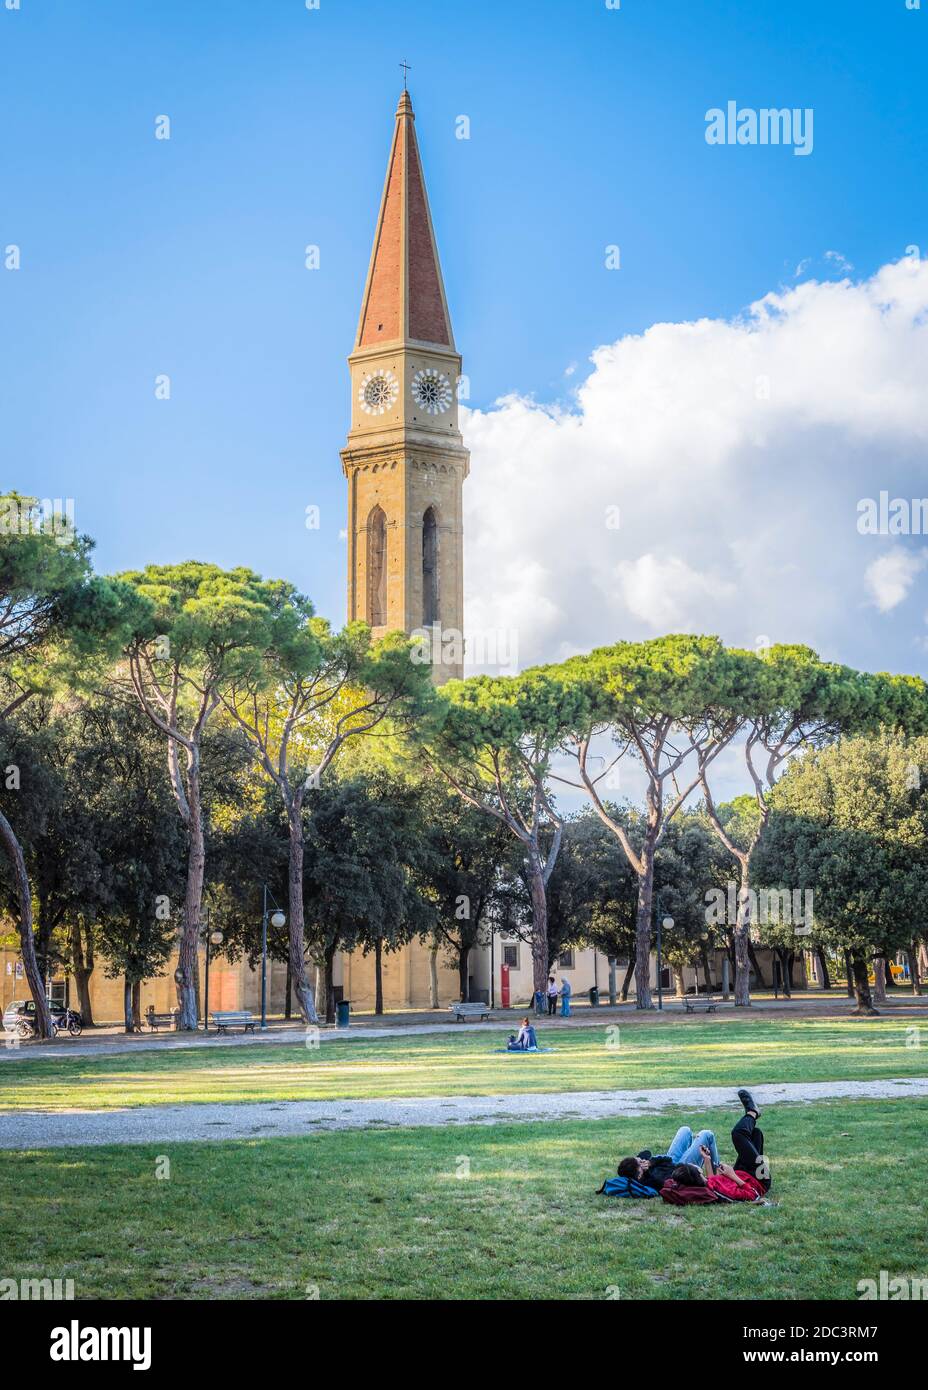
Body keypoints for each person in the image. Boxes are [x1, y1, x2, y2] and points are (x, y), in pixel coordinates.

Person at [616, 1124, 721, 1192]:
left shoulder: (643, 1167)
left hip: (673, 1163)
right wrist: (652, 1165)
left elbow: (647, 1153)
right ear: (639, 1175)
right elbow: (668, 1162)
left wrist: (650, 1162)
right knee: (706, 1134)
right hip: (682, 1169)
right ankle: (716, 1178)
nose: (642, 1160)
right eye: (640, 1163)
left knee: (684, 1130)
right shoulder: (655, 1179)